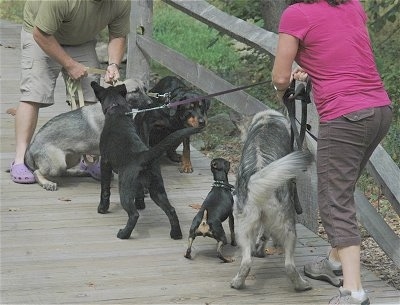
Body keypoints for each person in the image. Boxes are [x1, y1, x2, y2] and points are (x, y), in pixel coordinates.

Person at [272, 0, 392, 304]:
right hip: (379, 109)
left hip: (346, 115)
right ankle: (334, 262)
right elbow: (341, 52)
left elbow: (279, 78)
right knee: (342, 187)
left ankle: (353, 292)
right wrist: (309, 67)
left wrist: (284, 88)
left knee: (334, 198)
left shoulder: (296, 14)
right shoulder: (353, 4)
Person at [10, 0, 131, 184]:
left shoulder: (121, 2)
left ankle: (89, 160)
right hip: (41, 34)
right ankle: (19, 161)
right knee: (34, 93)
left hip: (80, 40)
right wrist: (69, 64)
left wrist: (113, 63)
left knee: (92, 95)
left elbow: (118, 35)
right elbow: (41, 34)